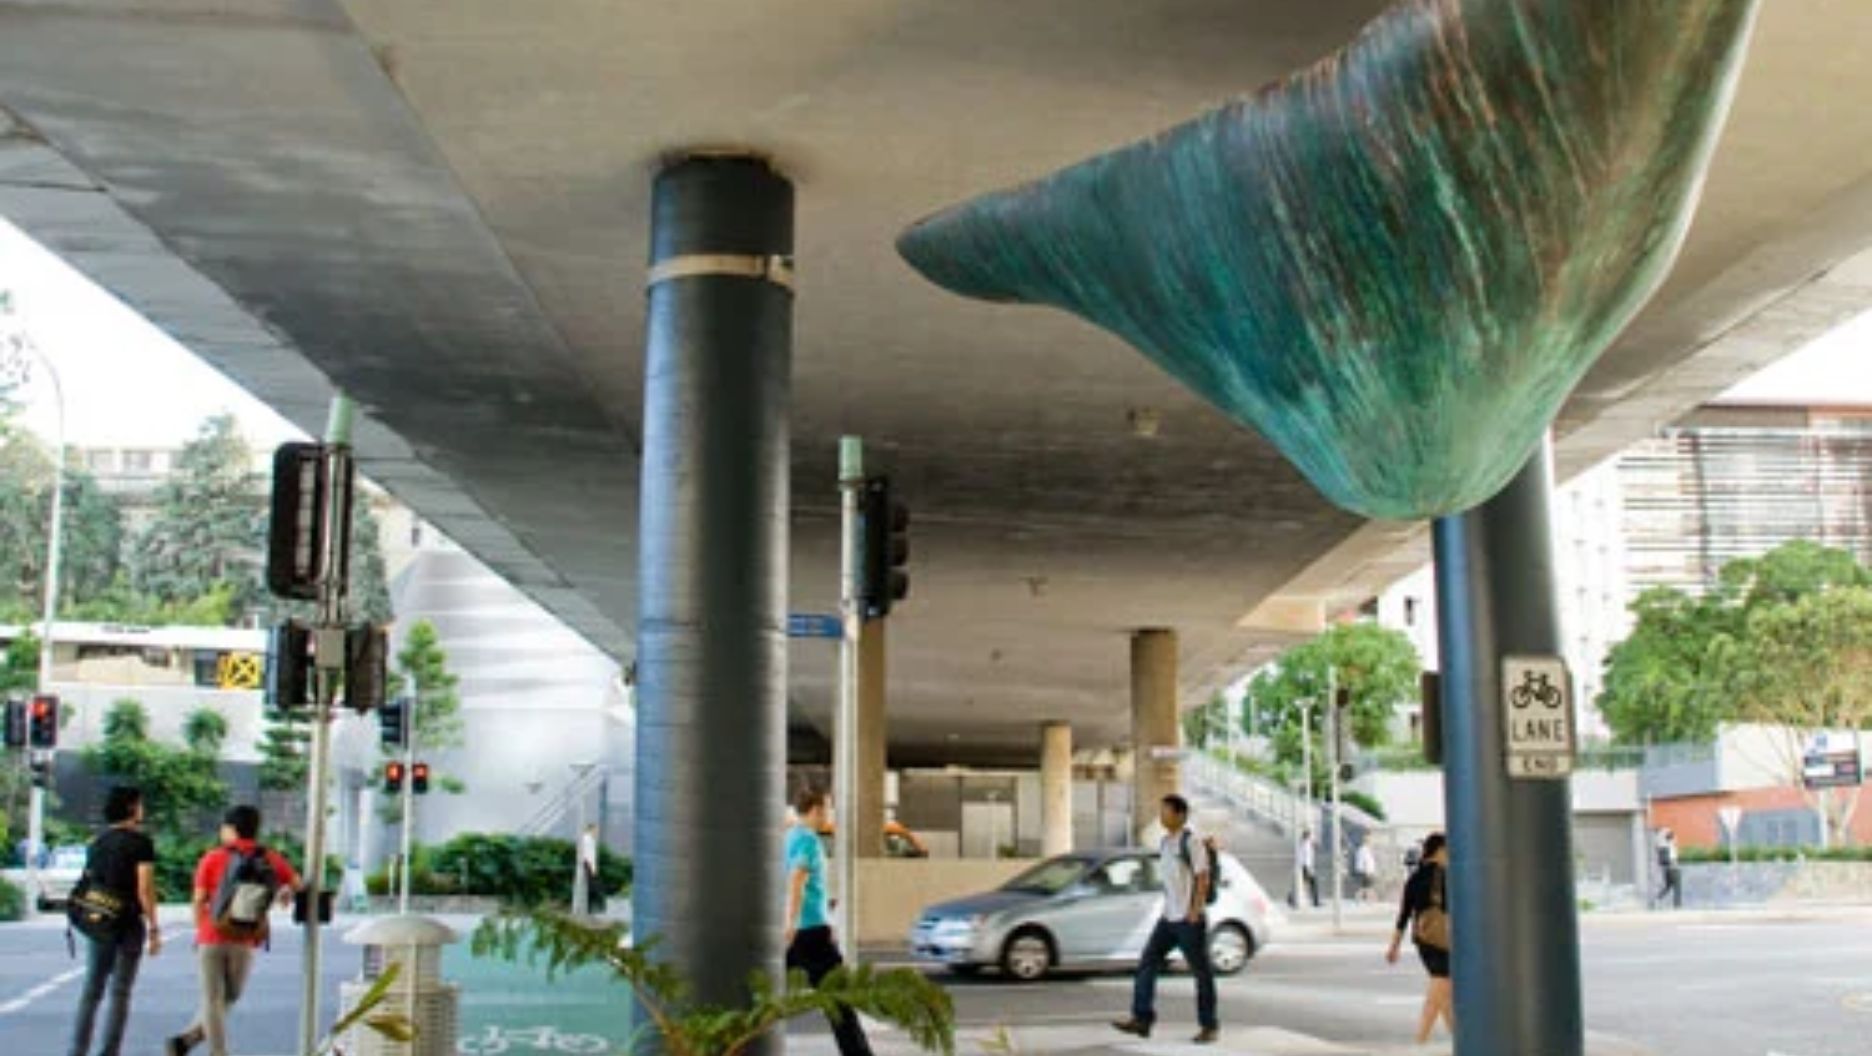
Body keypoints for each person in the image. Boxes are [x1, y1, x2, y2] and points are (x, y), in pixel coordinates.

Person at [167, 805, 301, 1056]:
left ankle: (189, 1040)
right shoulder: (270, 857)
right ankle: (205, 1047)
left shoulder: (212, 858)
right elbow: (296, 883)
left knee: (213, 999)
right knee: (230, 996)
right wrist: (284, 892)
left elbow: (198, 899)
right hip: (245, 938)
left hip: (212, 935)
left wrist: (200, 931)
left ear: (231, 829)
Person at [1112, 794, 1220, 1045]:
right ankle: (1142, 1019)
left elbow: (1202, 878)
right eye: (1160, 811)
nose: (1162, 816)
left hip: (1188, 920)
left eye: (1166, 812)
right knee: (1147, 963)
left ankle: (1209, 1026)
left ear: (1180, 815)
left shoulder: (1190, 842)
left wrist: (1195, 910)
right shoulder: (1164, 843)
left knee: (1201, 974)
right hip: (1168, 918)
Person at [67, 786, 160, 1056]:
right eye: (140, 804)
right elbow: (145, 890)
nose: (143, 809)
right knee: (120, 992)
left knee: (92, 990)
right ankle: (109, 1052)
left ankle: (77, 1050)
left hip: (100, 921)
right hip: (128, 924)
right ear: (131, 808)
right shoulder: (141, 843)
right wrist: (154, 927)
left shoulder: (98, 842)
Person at [784, 788, 871, 1056]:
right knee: (841, 1003)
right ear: (815, 810)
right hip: (811, 933)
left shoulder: (788, 838)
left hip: (807, 930)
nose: (829, 815)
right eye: (827, 809)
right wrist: (791, 923)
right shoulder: (809, 841)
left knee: (766, 996)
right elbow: (797, 881)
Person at [1386, 832, 1453, 1045]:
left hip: (1423, 940)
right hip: (1442, 940)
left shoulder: (1414, 877)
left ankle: (1461, 1040)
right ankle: (1420, 1042)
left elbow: (1404, 915)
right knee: (1438, 993)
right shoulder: (1444, 875)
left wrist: (1394, 947)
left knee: (1442, 994)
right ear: (1440, 850)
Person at [576, 823, 603, 914]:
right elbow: (588, 855)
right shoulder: (587, 839)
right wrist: (592, 868)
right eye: (595, 830)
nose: (596, 832)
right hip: (588, 865)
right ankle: (592, 908)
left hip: (589, 865)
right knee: (594, 887)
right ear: (591, 829)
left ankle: (591, 908)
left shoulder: (590, 839)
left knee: (593, 887)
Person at [1655, 827, 1682, 909]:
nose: (1676, 838)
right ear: (1671, 838)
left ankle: (1657, 898)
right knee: (1677, 887)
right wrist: (1675, 865)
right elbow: (1673, 858)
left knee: (1668, 886)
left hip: (1666, 869)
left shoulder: (1662, 845)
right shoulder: (1671, 846)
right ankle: (1677, 906)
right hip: (1673, 868)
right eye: (1674, 837)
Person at [1300, 828, 1320, 908]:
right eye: (1310, 835)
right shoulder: (1306, 844)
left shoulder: (1303, 843)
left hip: (1305, 866)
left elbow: (1316, 846)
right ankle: (1315, 901)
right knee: (1312, 883)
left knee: (1307, 883)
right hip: (1307, 867)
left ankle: (1315, 901)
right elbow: (1307, 857)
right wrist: (1309, 869)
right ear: (1308, 835)